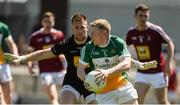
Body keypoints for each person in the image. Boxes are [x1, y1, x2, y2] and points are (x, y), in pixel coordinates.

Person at [9, 13, 96, 104]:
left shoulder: (94, 44)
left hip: (91, 83)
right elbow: (44, 54)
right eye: (76, 27)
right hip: (72, 83)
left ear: (87, 27)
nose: (79, 31)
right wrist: (23, 58)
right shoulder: (66, 44)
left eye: (82, 27)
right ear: (72, 29)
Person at [77, 19, 138, 105]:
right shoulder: (88, 48)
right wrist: (88, 81)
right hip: (103, 93)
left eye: (93, 33)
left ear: (103, 33)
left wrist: (107, 72)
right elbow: (80, 70)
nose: (90, 36)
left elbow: (127, 64)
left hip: (122, 86)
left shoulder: (117, 43)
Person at [126, 4, 174, 104]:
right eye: (141, 15)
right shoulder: (131, 33)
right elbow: (124, 48)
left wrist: (168, 63)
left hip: (159, 71)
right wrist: (126, 62)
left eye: (146, 16)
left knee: (162, 101)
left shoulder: (155, 30)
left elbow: (170, 43)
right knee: (137, 100)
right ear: (135, 16)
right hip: (142, 71)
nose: (143, 18)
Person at [27, 12, 67, 105]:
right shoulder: (35, 37)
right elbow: (30, 54)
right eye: (46, 21)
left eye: (50, 21)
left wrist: (67, 65)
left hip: (60, 70)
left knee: (69, 94)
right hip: (46, 71)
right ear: (42, 22)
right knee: (53, 96)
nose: (48, 24)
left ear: (53, 22)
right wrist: (30, 66)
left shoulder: (59, 35)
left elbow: (64, 53)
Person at [0, 21, 19, 104]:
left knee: (8, 95)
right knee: (0, 96)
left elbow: (11, 44)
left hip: (2, 63)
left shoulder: (2, 27)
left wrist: (16, 56)